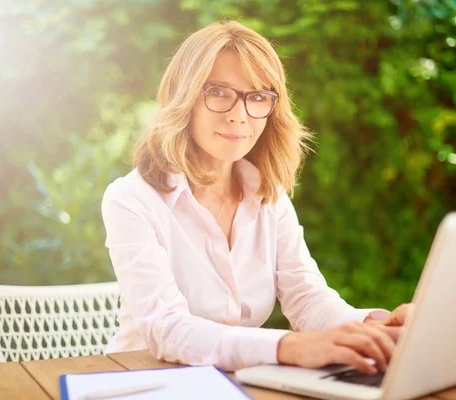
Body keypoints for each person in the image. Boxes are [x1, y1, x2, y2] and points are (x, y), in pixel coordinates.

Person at [101, 20, 413, 375]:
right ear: (184, 97)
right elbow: (167, 328)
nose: (239, 115)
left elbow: (307, 297)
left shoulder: (269, 196)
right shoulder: (131, 200)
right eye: (218, 92)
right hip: (142, 382)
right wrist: (288, 347)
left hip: (236, 384)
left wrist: (376, 327)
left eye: (258, 97)